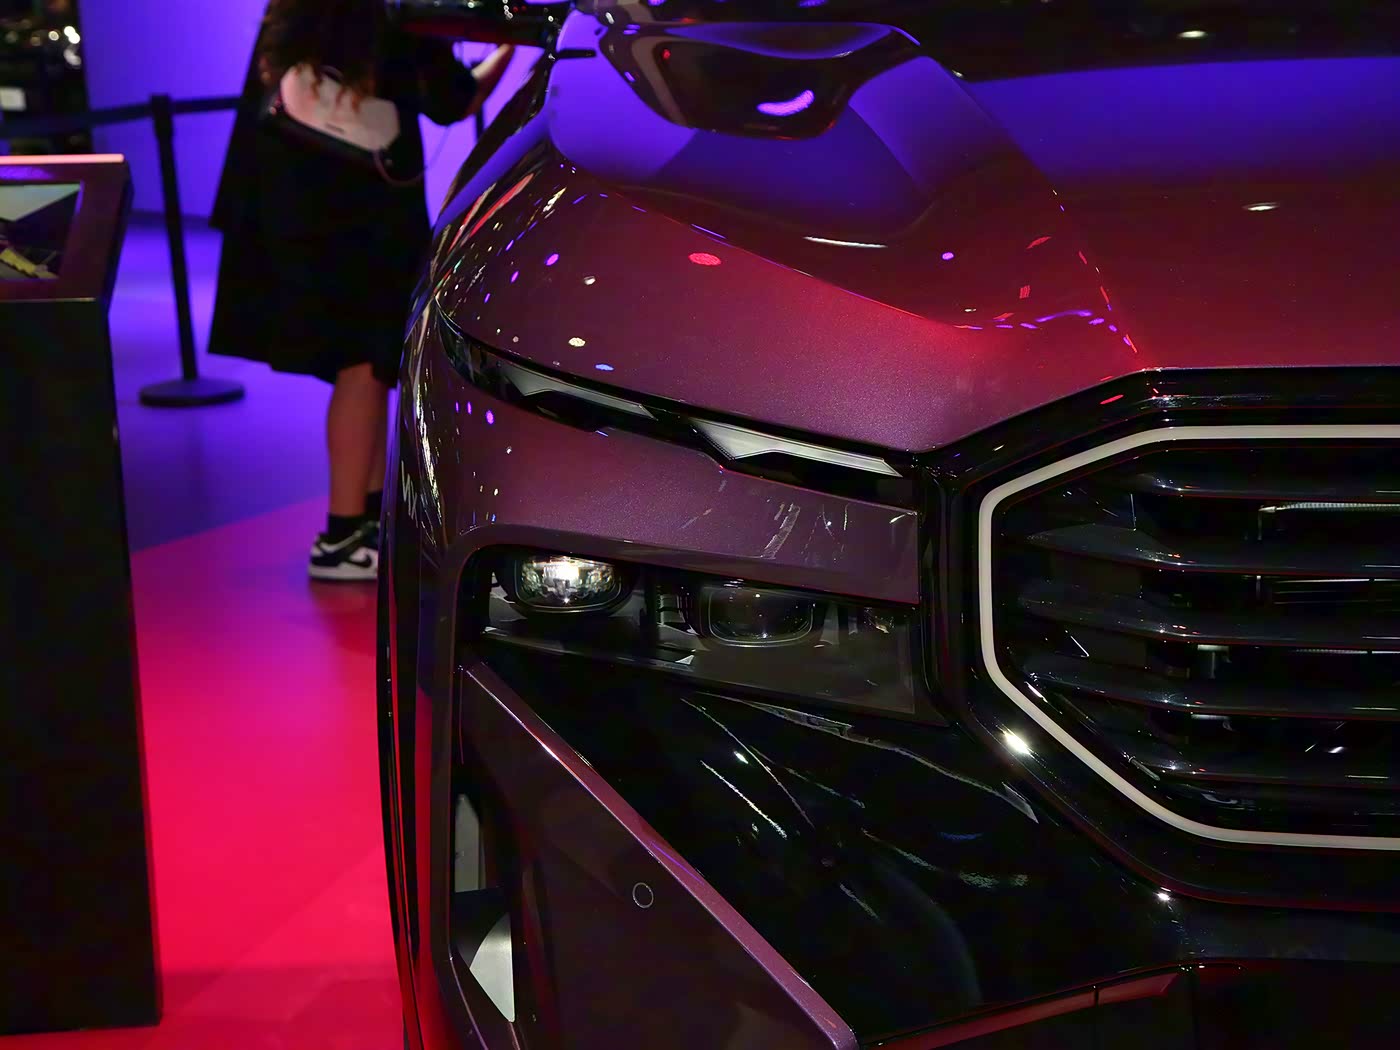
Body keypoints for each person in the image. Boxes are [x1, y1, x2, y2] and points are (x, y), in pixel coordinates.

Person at [208, 0, 513, 581]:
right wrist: (508, 52)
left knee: (365, 367)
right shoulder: (393, 11)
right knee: (364, 366)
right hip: (363, 209)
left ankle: (365, 521)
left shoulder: (301, 14)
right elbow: (453, 98)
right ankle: (341, 533)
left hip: (303, 201)